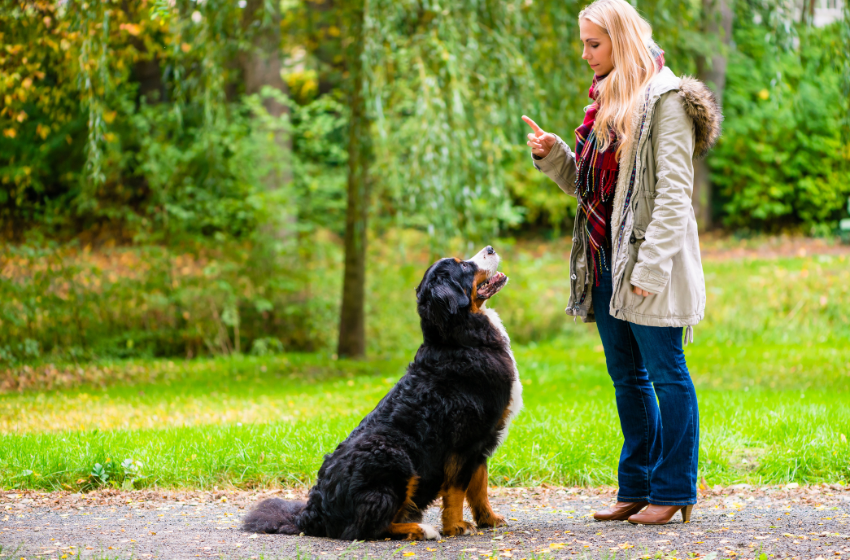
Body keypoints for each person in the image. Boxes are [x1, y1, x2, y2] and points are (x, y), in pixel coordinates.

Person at [523, 0, 722, 525]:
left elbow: (676, 196)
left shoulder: (667, 100)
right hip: (605, 257)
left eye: (595, 43)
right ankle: (637, 485)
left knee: (666, 373)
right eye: (583, 43)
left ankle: (675, 488)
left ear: (622, 39)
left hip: (649, 263)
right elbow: (593, 191)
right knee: (626, 377)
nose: (586, 54)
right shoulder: (606, 100)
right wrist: (554, 155)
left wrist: (649, 271)